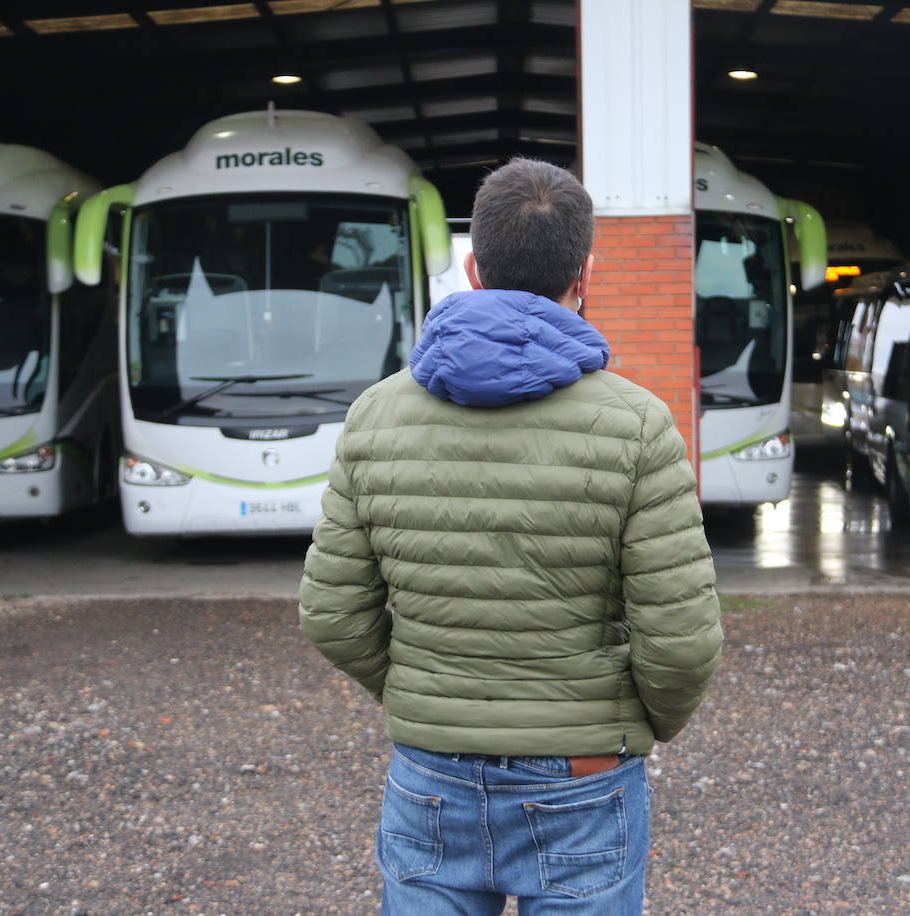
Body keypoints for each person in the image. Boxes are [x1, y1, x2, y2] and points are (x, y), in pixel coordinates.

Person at [298, 157, 722, 914]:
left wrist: (422, 700)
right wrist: (635, 723)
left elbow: (332, 614)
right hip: (585, 774)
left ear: (472, 266)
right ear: (585, 272)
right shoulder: (638, 425)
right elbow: (681, 640)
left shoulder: (376, 415)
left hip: (430, 774)